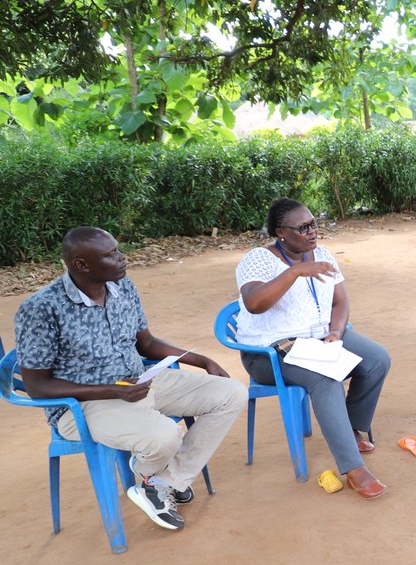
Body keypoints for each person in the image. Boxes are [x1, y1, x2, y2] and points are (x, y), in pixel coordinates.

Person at [15, 227, 247, 531]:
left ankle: (163, 481)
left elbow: (145, 343)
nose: (122, 258)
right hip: (82, 405)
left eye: (117, 250)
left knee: (231, 393)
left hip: (140, 383)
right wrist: (110, 390)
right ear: (81, 265)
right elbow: (37, 386)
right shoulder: (42, 308)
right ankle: (158, 479)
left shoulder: (122, 287)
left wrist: (200, 359)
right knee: (165, 436)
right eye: (111, 254)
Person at [236, 198, 391, 500]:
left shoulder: (321, 254)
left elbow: (340, 301)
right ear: (281, 232)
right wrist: (294, 272)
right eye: (303, 227)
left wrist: (335, 332)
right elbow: (254, 304)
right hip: (269, 351)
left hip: (319, 338)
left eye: (314, 223)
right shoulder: (257, 260)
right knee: (324, 378)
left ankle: (351, 428)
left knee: (376, 360)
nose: (312, 231)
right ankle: (353, 469)